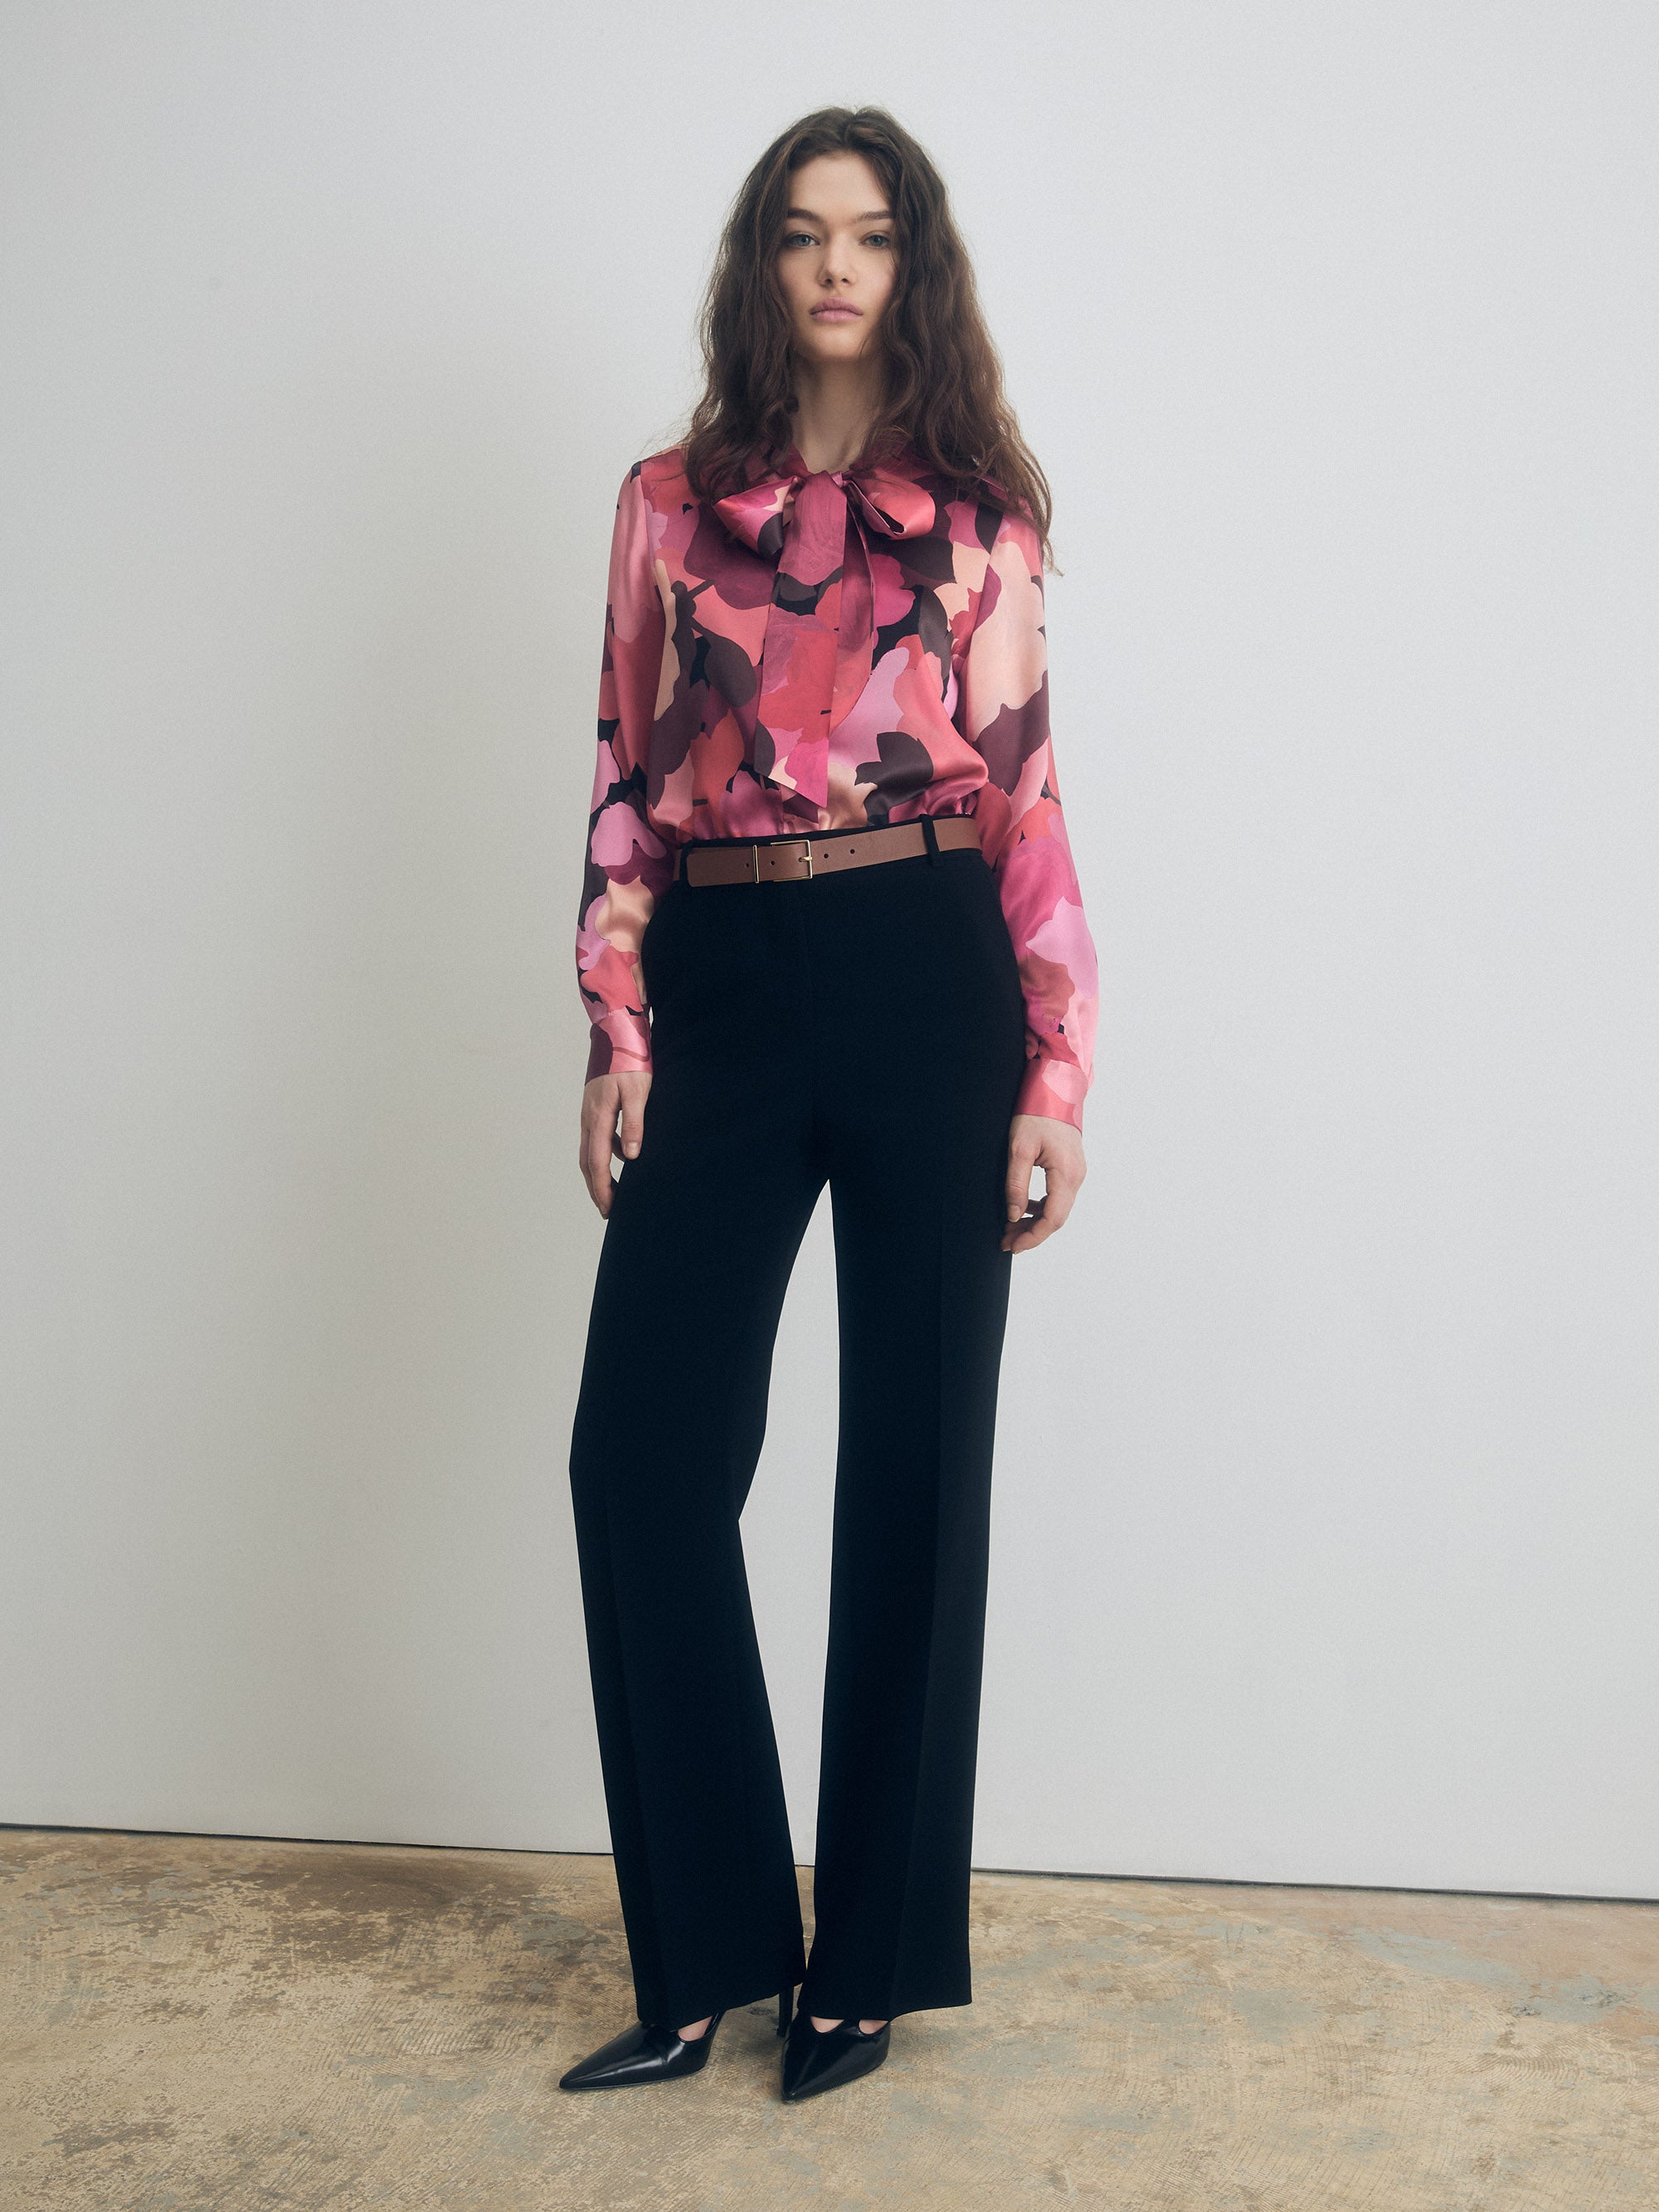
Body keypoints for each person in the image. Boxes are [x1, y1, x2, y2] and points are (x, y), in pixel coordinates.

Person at [559, 105, 1097, 2106]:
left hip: (927, 972)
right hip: (720, 975)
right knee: (640, 1461)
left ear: (913, 264)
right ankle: (705, 1944)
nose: (836, 266)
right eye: (801, 233)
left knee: (917, 1475)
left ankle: (865, 1960)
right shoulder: (662, 506)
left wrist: (1056, 1067)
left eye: (870, 235)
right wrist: (615, 1026)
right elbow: (622, 770)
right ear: (759, 266)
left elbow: (1029, 799)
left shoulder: (978, 523)